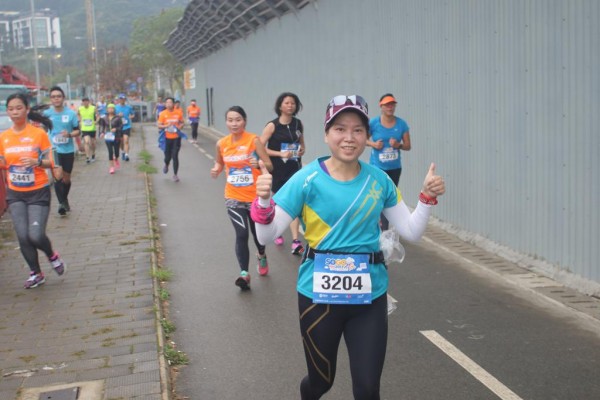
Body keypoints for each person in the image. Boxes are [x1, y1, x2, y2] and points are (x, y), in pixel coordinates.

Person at [252, 95, 445, 399]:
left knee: (368, 389)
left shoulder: (379, 180)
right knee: (320, 383)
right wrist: (263, 202)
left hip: (369, 298)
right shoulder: (306, 179)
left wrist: (426, 198)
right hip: (318, 297)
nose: (349, 137)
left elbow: (411, 231)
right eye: (340, 129)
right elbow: (266, 235)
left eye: (358, 130)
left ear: (367, 136)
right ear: (326, 134)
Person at [0, 93, 66, 289]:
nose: (15, 112)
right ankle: (36, 273)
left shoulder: (38, 134)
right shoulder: (4, 137)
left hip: (38, 192)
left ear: (27, 109)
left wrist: (36, 162)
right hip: (15, 193)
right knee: (22, 236)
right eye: (11, 109)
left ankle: (52, 255)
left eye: (18, 108)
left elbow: (51, 161)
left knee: (35, 235)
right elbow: (3, 162)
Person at [210, 106, 273, 290]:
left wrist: (259, 164)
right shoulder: (222, 143)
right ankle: (244, 274)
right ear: (226, 122)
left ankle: (261, 254)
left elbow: (269, 165)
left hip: (254, 198)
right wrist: (216, 169)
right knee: (242, 234)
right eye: (230, 120)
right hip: (233, 197)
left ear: (244, 121)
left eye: (238, 119)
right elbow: (219, 163)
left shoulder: (253, 140)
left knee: (258, 235)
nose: (234, 123)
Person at [259, 92, 306, 255]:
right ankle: (277, 232)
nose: (290, 106)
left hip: (294, 169)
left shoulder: (298, 124)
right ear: (280, 106)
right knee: (279, 202)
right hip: (277, 169)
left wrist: (301, 151)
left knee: (294, 203)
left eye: (293, 103)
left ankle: (295, 240)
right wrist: (280, 154)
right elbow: (260, 147)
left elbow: (302, 144)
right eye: (287, 103)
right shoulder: (272, 126)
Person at [366, 93, 411, 230]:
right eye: (387, 105)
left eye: (392, 104)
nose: (390, 107)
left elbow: (408, 146)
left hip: (394, 168)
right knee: (379, 195)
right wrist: (374, 144)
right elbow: (363, 139)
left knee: (389, 196)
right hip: (377, 166)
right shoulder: (374, 123)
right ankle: (379, 225)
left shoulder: (401, 124)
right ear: (381, 106)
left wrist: (398, 145)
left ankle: (384, 227)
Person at [44, 86, 80, 216]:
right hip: (53, 148)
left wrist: (69, 134)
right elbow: (41, 130)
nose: (56, 99)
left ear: (63, 98)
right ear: (51, 99)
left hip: (68, 150)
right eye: (53, 97)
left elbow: (78, 131)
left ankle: (64, 199)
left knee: (66, 179)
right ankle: (61, 204)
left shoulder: (71, 113)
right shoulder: (46, 114)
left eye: (58, 96)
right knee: (57, 174)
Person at [157, 97, 185, 182]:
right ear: (165, 104)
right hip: (166, 138)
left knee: (175, 156)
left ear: (173, 104)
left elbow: (182, 122)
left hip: (176, 138)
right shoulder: (162, 114)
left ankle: (175, 175)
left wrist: (179, 127)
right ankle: (166, 164)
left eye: (170, 102)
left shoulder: (178, 112)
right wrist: (166, 126)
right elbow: (159, 125)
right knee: (167, 157)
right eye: (167, 102)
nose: (169, 104)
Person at [98, 104, 122, 174]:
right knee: (110, 152)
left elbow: (121, 126)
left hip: (116, 136)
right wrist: (102, 133)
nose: (111, 110)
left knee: (116, 152)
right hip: (108, 137)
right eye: (109, 108)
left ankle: (116, 158)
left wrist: (116, 129)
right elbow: (102, 126)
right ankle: (111, 167)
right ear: (107, 110)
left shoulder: (118, 118)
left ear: (114, 110)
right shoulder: (104, 118)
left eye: (112, 108)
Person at [115, 94, 134, 162]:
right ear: (119, 100)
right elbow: (113, 116)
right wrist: (118, 115)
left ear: (125, 100)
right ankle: (123, 151)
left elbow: (133, 114)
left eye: (123, 99)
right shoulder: (116, 107)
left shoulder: (129, 107)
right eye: (121, 99)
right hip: (119, 127)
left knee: (126, 140)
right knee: (121, 141)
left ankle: (126, 155)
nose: (122, 100)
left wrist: (131, 117)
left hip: (127, 126)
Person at [78, 97, 97, 164]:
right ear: (82, 102)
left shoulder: (93, 108)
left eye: (86, 101)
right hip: (84, 128)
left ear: (89, 102)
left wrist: (96, 121)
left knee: (93, 143)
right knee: (86, 142)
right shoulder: (80, 108)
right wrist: (80, 120)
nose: (85, 102)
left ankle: (93, 154)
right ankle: (87, 157)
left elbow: (98, 115)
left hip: (92, 128)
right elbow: (78, 114)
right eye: (84, 101)